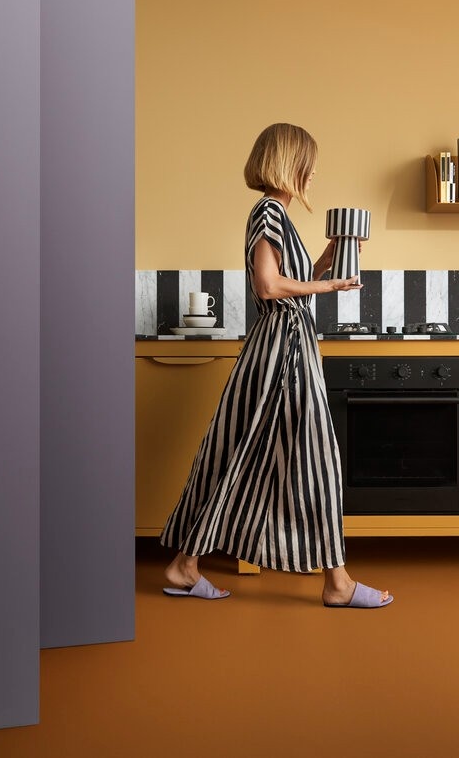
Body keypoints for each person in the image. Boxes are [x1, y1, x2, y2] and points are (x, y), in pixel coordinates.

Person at [161, 122, 393, 608]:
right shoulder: (268, 212)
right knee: (315, 458)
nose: (314, 172)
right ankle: (338, 583)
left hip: (282, 345)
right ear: (291, 164)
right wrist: (328, 288)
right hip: (283, 350)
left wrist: (323, 264)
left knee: (239, 450)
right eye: (309, 162)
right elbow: (269, 287)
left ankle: (186, 566)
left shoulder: (276, 216)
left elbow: (287, 280)